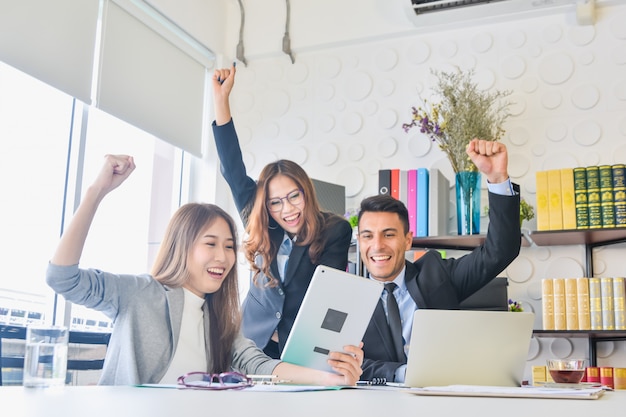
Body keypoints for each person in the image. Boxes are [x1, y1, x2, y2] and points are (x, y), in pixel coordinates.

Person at [46, 154, 363, 386]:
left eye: (228, 246)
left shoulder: (222, 320)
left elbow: (260, 365)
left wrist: (333, 377)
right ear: (182, 246)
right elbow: (63, 278)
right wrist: (96, 192)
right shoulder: (140, 295)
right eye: (210, 244)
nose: (222, 257)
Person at [211, 64, 353, 359]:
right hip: (251, 342)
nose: (287, 209)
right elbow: (232, 167)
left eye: (293, 197)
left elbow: (326, 297)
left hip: (300, 345)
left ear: (306, 193)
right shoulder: (260, 220)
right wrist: (221, 101)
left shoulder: (334, 230)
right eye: (276, 202)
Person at [357, 139, 521, 382]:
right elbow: (340, 363)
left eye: (389, 234)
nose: (377, 245)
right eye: (368, 236)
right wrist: (401, 374)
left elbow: (500, 251)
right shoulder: (349, 297)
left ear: (408, 240)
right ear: (359, 241)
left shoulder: (437, 275)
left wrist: (497, 179)